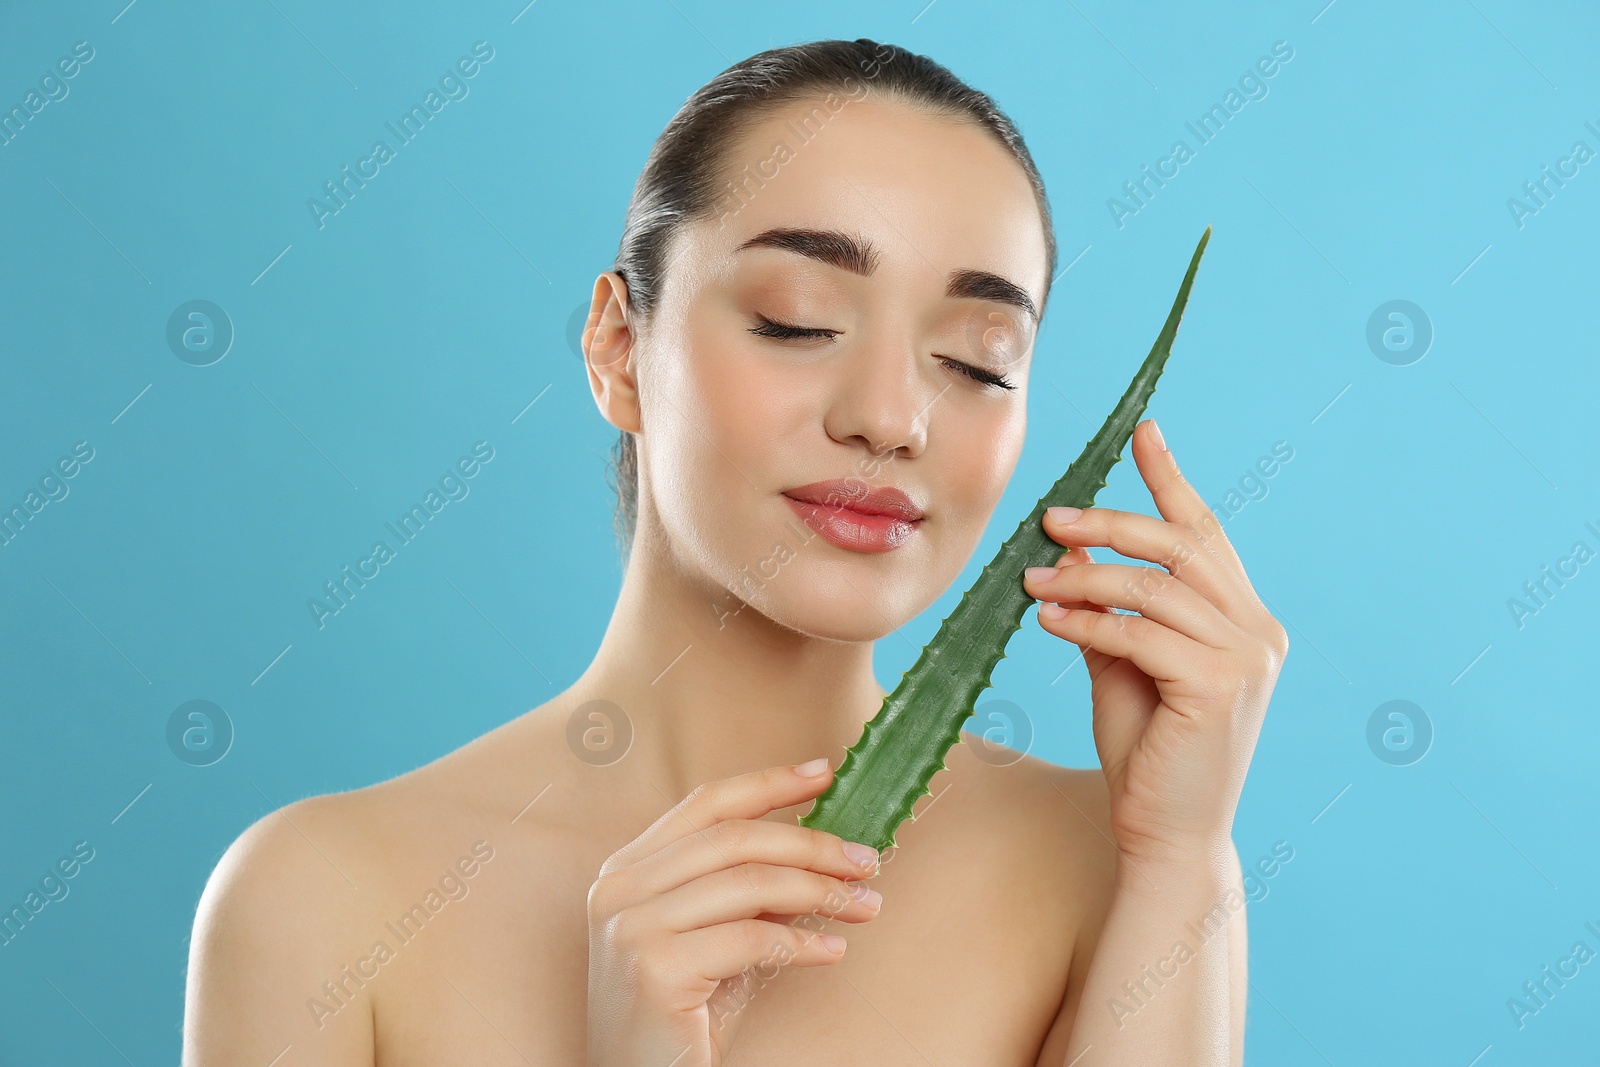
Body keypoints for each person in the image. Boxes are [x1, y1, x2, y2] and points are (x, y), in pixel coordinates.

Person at [182, 37, 1287, 1066]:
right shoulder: (322, 905)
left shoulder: (1110, 866)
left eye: (978, 359)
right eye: (798, 318)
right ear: (619, 348)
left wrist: (1183, 860)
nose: (891, 416)